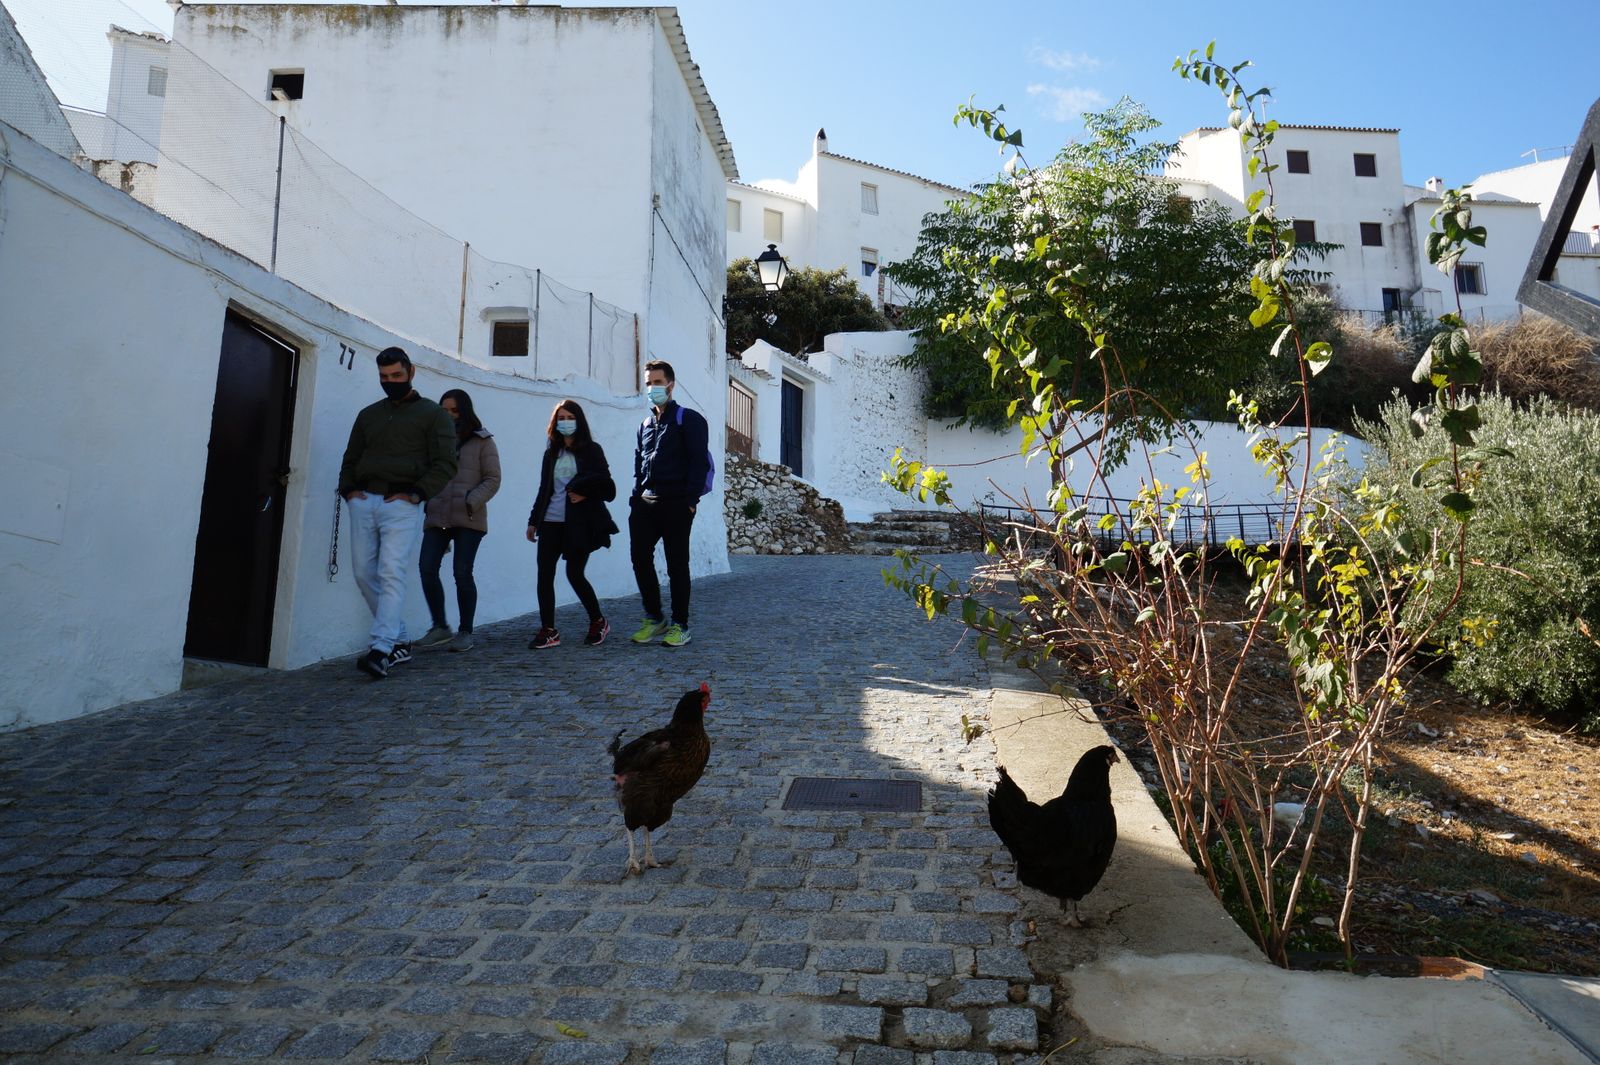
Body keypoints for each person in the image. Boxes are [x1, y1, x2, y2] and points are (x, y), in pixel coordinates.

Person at [338, 347, 458, 679]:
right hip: (364, 500)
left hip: (402, 505)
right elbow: (351, 457)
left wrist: (416, 494)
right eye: (384, 377)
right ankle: (400, 637)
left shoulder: (433, 415)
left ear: (411, 372)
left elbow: (447, 463)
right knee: (363, 573)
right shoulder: (368, 415)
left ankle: (382, 649)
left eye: (396, 376)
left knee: (391, 572)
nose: (390, 382)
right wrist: (349, 491)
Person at [628, 359, 709, 648]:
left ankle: (680, 624)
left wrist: (690, 501)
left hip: (677, 504)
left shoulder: (689, 419)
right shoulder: (645, 424)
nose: (652, 388)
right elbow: (639, 464)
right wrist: (635, 498)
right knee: (639, 558)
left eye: (658, 383)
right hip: (645, 503)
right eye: (649, 383)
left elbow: (699, 462)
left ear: (671, 385)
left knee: (677, 565)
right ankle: (654, 618)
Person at [526, 399, 618, 649]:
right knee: (544, 575)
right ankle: (548, 630)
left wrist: (586, 494)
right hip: (550, 522)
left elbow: (608, 487)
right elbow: (544, 489)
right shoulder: (551, 454)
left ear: (579, 421)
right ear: (555, 423)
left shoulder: (592, 450)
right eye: (561, 418)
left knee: (574, 574)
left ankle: (598, 621)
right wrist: (533, 520)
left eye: (570, 418)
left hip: (579, 524)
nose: (565, 423)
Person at [418, 389, 501, 653]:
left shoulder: (483, 441)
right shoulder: (434, 439)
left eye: (454, 410)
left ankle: (465, 631)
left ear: (464, 411)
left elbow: (493, 478)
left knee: (462, 572)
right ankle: (440, 626)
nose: (450, 416)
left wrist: (470, 500)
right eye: (444, 410)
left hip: (468, 516)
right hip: (438, 513)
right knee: (426, 567)